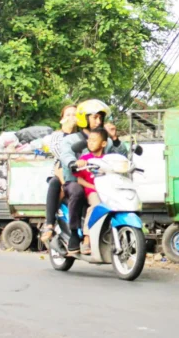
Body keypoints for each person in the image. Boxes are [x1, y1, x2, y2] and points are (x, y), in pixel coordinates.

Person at [59, 99, 127, 254]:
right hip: (77, 180)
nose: (99, 121)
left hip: (101, 183)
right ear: (84, 118)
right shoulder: (72, 139)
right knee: (76, 191)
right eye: (94, 117)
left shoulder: (106, 141)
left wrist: (115, 138)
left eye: (100, 117)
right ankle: (75, 234)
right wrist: (72, 163)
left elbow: (122, 156)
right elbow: (66, 153)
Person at [40, 105, 78, 246]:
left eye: (74, 114)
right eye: (68, 115)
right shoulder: (56, 136)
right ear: (62, 119)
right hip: (60, 171)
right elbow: (61, 154)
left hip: (80, 174)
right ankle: (49, 223)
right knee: (55, 183)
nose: (71, 117)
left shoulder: (82, 135)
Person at [72, 128, 108, 255]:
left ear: (103, 143)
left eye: (94, 140)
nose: (90, 143)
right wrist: (93, 187)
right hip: (92, 191)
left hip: (108, 191)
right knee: (96, 205)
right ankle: (87, 239)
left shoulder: (108, 159)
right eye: (89, 140)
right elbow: (80, 180)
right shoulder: (85, 158)